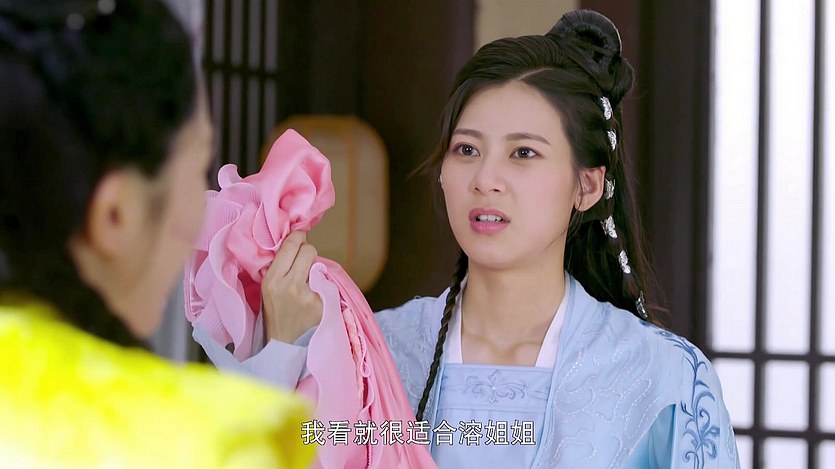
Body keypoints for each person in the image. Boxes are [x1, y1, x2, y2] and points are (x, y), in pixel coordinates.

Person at [194, 9, 741, 469]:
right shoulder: (372, 350)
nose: (486, 178)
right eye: (467, 150)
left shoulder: (663, 379)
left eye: (523, 153)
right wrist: (285, 352)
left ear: (587, 186)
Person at [0, 1, 313, 467]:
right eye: (199, 166)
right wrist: (280, 355)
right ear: (115, 215)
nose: (203, 209)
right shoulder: (216, 448)